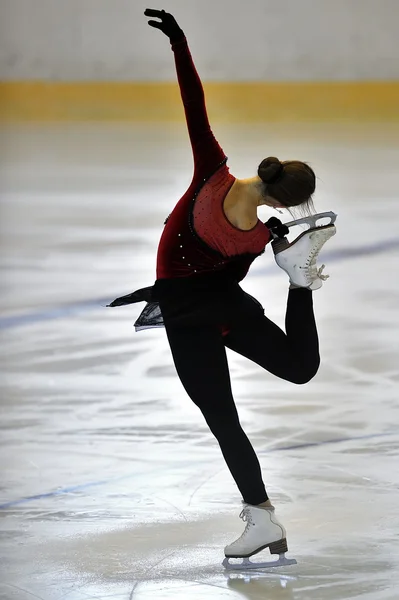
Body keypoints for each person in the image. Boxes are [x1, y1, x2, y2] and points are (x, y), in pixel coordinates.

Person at [109, 8, 336, 568]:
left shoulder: (213, 171)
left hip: (190, 317)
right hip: (220, 309)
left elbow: (194, 102)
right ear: (283, 199)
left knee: (222, 418)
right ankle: (299, 281)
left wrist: (179, 44)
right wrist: (276, 242)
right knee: (299, 366)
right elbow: (235, 253)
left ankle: (261, 518)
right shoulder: (262, 233)